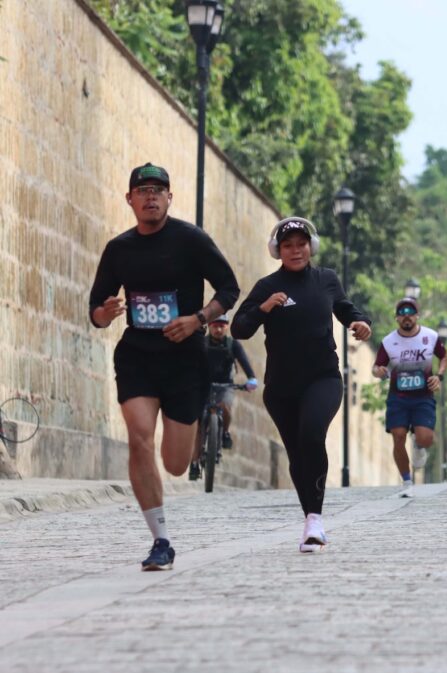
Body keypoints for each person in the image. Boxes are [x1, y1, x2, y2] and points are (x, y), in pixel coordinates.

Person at [88, 163, 239, 571]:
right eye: (143, 190)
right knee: (139, 438)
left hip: (185, 359)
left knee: (175, 462)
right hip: (137, 355)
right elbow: (96, 310)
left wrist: (198, 319)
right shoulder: (119, 249)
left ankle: (195, 433)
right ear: (130, 199)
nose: (151, 196)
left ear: (170, 197)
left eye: (158, 190)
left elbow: (229, 288)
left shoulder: (191, 240)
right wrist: (105, 312)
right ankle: (160, 540)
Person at [232, 216, 372, 553]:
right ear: (277, 250)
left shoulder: (326, 279)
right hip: (281, 388)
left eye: (301, 244)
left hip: (323, 378)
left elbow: (346, 309)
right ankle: (310, 517)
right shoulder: (267, 286)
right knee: (297, 454)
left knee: (312, 433)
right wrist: (264, 308)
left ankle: (315, 518)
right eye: (288, 245)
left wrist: (360, 322)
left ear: (312, 246)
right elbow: (239, 328)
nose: (296, 251)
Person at [372, 297, 447, 495]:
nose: (406, 317)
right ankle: (407, 481)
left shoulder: (430, 336)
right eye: (402, 313)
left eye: (410, 313)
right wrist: (378, 371)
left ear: (417, 316)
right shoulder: (389, 342)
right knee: (398, 436)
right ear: (397, 318)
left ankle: (419, 445)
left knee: (426, 439)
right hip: (398, 397)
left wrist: (439, 376)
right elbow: (377, 366)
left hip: (423, 396)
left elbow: (444, 357)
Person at [189, 313, 258, 481]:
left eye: (221, 326)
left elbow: (244, 362)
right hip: (203, 386)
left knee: (225, 406)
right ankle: (194, 463)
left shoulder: (233, 344)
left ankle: (225, 432)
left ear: (226, 327)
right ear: (209, 327)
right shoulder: (202, 343)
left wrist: (251, 378)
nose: (218, 329)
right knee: (198, 425)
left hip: (226, 385)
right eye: (215, 326)